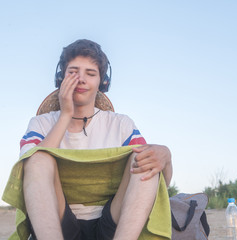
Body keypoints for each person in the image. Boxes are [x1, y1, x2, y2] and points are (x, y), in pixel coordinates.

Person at [21, 39, 173, 240]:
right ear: (61, 77)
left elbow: (156, 185)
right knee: (37, 158)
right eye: (73, 72)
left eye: (90, 73)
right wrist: (66, 114)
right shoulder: (40, 124)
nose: (81, 79)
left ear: (102, 82)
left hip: (113, 222)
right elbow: (29, 175)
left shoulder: (121, 124)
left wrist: (166, 157)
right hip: (57, 221)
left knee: (144, 158)